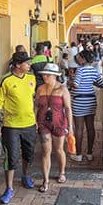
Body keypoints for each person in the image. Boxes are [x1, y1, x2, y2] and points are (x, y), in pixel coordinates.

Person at [0, 51, 37, 204]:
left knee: (29, 154)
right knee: (11, 158)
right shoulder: (4, 80)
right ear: (18, 65)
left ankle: (25, 175)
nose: (29, 65)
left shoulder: (32, 79)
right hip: (11, 126)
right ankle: (9, 189)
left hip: (30, 125)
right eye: (27, 63)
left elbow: (34, 99)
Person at [35, 63, 74, 192]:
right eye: (44, 74)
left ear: (55, 76)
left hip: (59, 124)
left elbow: (68, 109)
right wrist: (35, 121)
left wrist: (70, 127)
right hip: (43, 123)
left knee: (58, 150)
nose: (45, 77)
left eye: (47, 75)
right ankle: (45, 180)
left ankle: (62, 172)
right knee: (46, 151)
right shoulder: (40, 89)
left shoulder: (63, 89)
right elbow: (36, 106)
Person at [68, 50, 103, 162]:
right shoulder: (94, 71)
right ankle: (90, 153)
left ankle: (79, 154)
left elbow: (76, 85)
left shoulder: (80, 70)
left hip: (79, 101)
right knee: (90, 127)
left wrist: (70, 82)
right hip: (90, 100)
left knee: (79, 128)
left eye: (79, 56)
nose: (78, 58)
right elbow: (101, 84)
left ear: (83, 59)